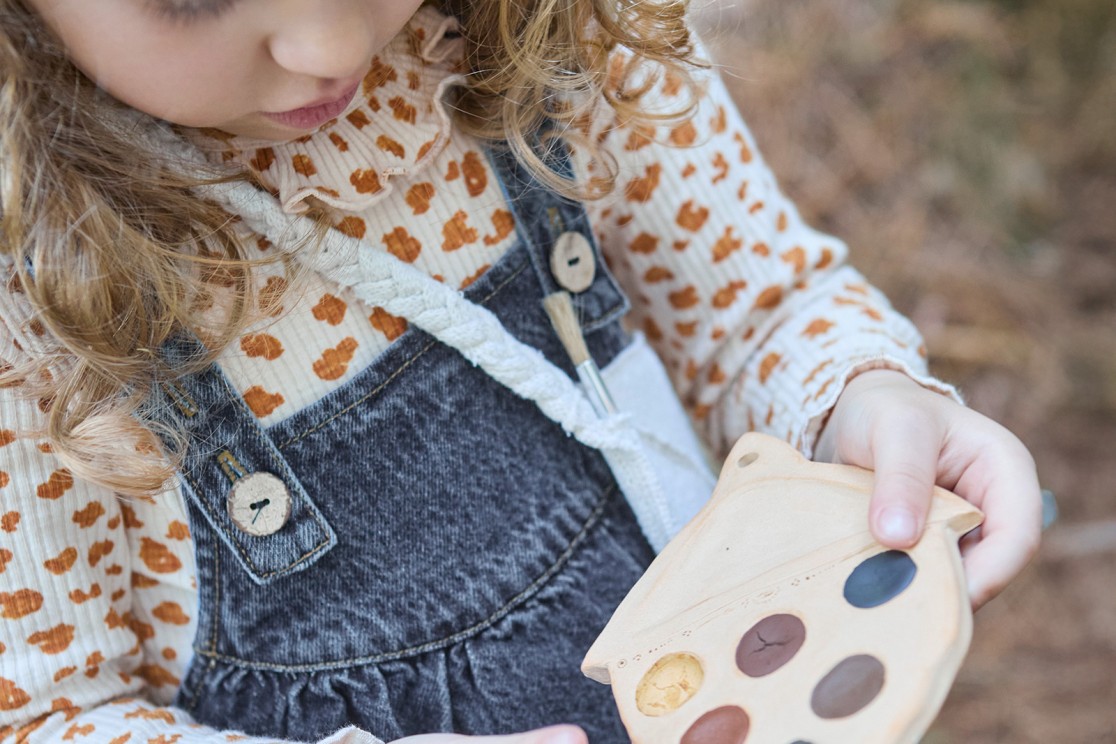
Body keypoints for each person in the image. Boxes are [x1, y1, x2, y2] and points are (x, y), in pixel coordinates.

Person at [0, 0, 1042, 742]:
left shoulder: (547, 28)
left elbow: (754, 312)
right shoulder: (31, 323)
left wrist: (859, 394)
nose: (323, 41)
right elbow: (48, 710)